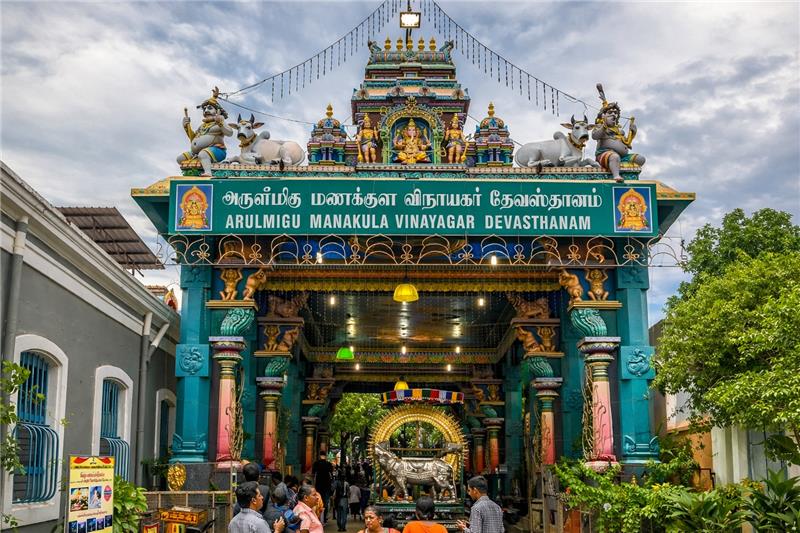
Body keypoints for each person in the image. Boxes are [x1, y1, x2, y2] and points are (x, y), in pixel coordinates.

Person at [312, 452, 333, 522]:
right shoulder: (329, 464)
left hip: (318, 486)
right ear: (325, 456)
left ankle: (318, 517)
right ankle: (324, 517)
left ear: (320, 456)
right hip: (326, 486)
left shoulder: (316, 464)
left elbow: (313, 474)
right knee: (325, 503)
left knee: (317, 502)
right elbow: (331, 475)